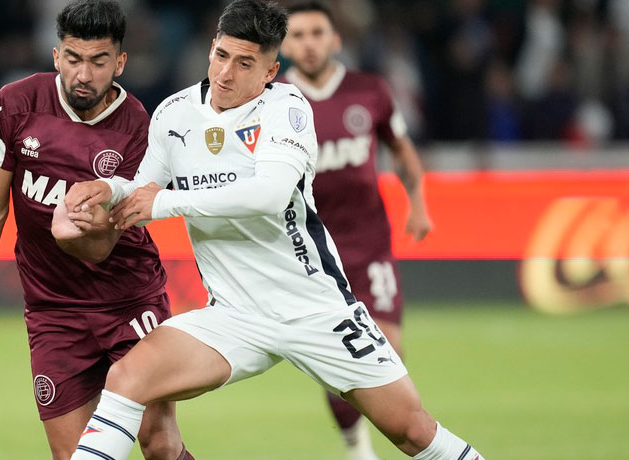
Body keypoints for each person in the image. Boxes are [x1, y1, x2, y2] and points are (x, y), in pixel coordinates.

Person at [64, 1, 486, 459]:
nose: (226, 73)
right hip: (234, 315)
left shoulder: (287, 109)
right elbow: (143, 186)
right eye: (221, 55)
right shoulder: (175, 113)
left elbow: (265, 194)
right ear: (210, 49)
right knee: (127, 379)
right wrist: (107, 189)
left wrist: (164, 203)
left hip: (314, 309)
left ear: (270, 71)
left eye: (245, 63)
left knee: (411, 431)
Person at [0, 1, 194, 459]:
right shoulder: (15, 104)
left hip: (129, 300)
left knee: (158, 444)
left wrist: (70, 232)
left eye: (98, 62)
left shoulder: (140, 129)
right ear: (56, 55)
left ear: (119, 62)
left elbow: (101, 249)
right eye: (73, 59)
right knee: (74, 456)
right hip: (52, 313)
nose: (83, 74)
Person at [279, 2, 432, 458]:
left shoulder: (370, 91)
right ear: (285, 45)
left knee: (391, 350)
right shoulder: (272, 101)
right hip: (310, 253)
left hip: (370, 245)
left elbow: (401, 149)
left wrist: (418, 202)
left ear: (335, 39)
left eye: (317, 33)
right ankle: (355, 444)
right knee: (337, 357)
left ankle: (379, 432)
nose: (308, 44)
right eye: (299, 35)